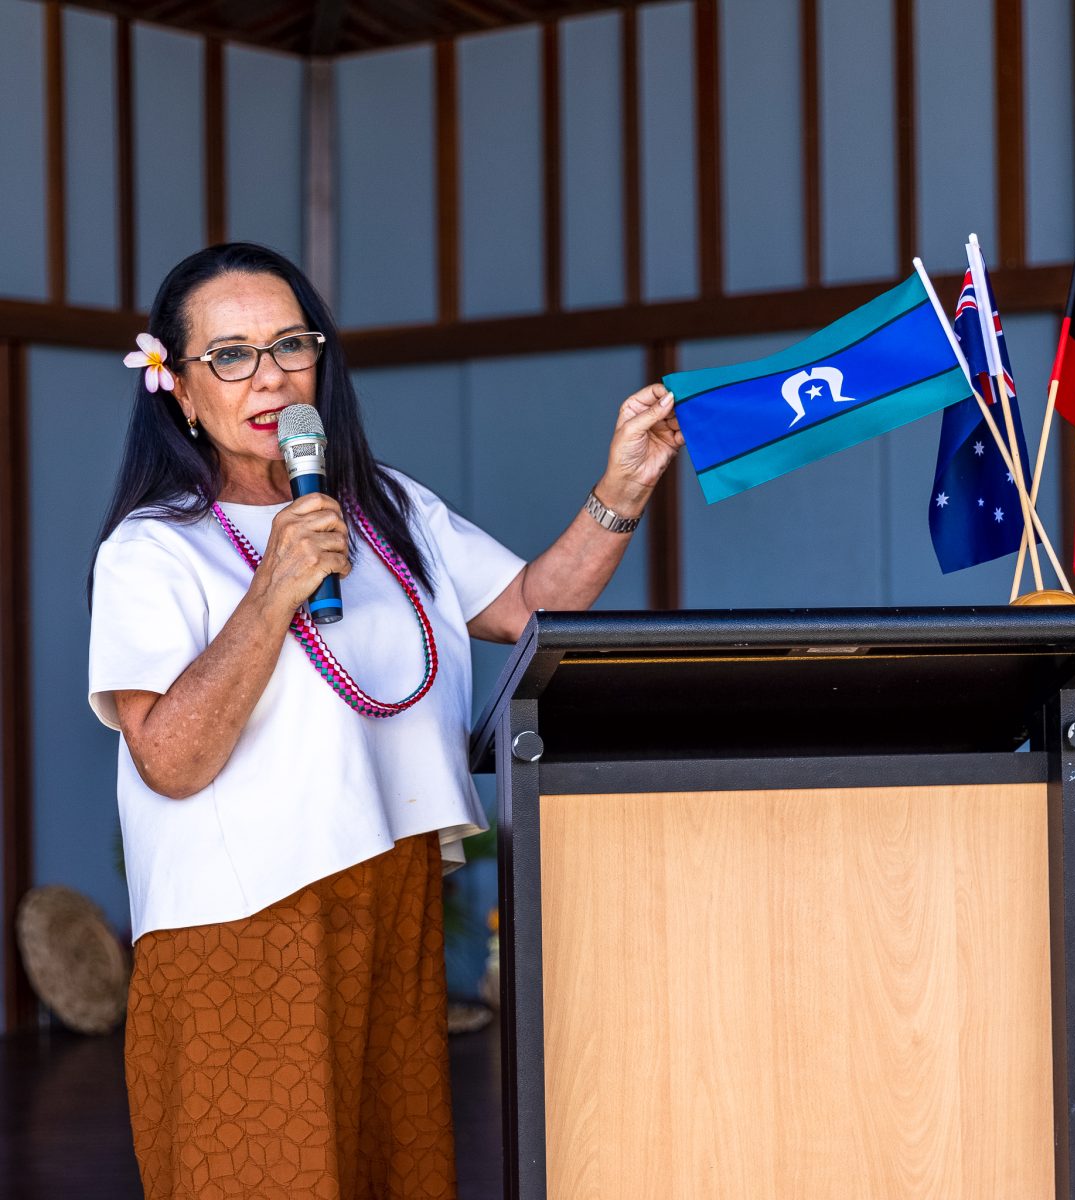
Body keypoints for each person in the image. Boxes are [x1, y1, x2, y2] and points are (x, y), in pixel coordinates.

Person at [87, 242, 682, 1200]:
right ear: (181, 392)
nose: (270, 376)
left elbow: (528, 608)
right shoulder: (153, 550)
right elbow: (170, 759)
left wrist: (623, 488)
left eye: (289, 345)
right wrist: (275, 588)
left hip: (392, 897)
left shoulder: (387, 507)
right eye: (230, 356)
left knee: (394, 1175)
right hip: (244, 929)